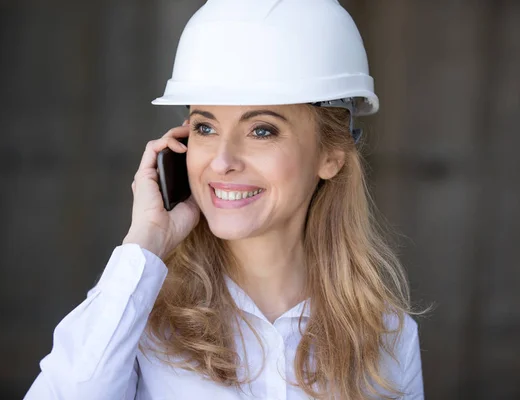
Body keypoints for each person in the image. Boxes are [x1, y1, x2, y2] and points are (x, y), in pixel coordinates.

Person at [25, 0, 424, 399]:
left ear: (330, 156)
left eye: (262, 130)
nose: (222, 161)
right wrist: (144, 241)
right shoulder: (135, 319)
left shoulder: (387, 336)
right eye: (205, 127)